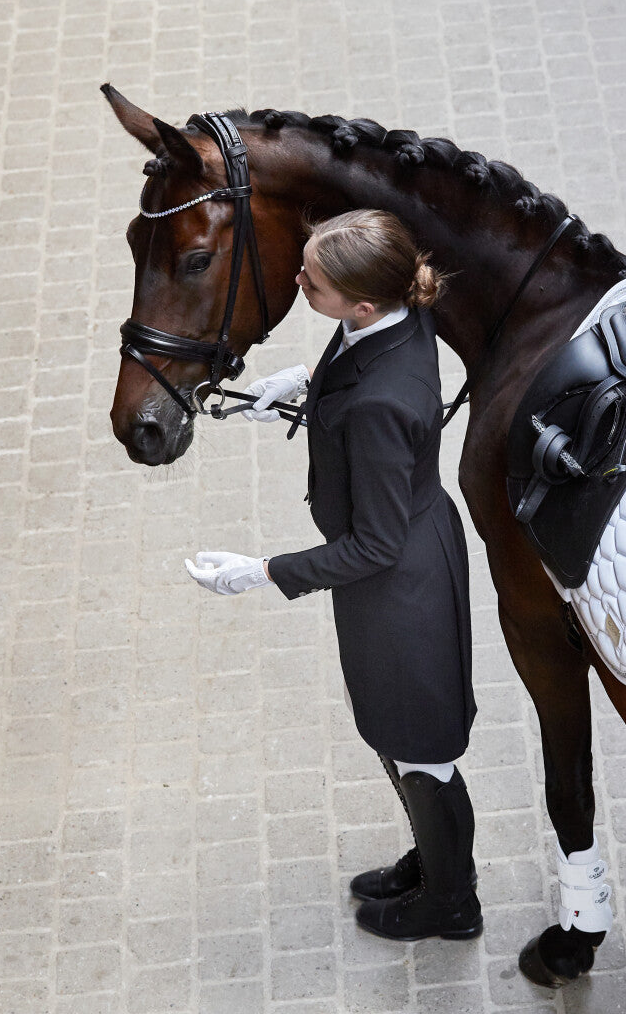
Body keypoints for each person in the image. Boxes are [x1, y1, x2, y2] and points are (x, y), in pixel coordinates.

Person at [185, 209, 480, 941]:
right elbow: (349, 362)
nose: (297, 284)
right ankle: (436, 864)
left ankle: (450, 903)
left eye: (310, 283)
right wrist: (302, 386)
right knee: (398, 737)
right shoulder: (386, 318)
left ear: (362, 302)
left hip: (398, 589)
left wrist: (259, 572)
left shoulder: (382, 408)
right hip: (398, 572)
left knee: (420, 748)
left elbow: (373, 546)